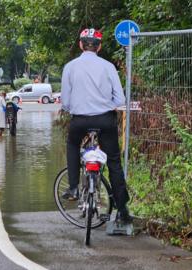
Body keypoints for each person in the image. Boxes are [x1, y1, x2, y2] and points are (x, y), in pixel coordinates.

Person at [60, 28, 132, 224]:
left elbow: (65, 101)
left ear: (81, 45)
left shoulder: (70, 67)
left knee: (73, 145)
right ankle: (123, 210)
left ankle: (74, 187)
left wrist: (74, 106)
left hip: (80, 120)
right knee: (114, 162)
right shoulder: (108, 67)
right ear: (99, 46)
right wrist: (106, 105)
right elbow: (120, 99)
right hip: (105, 119)